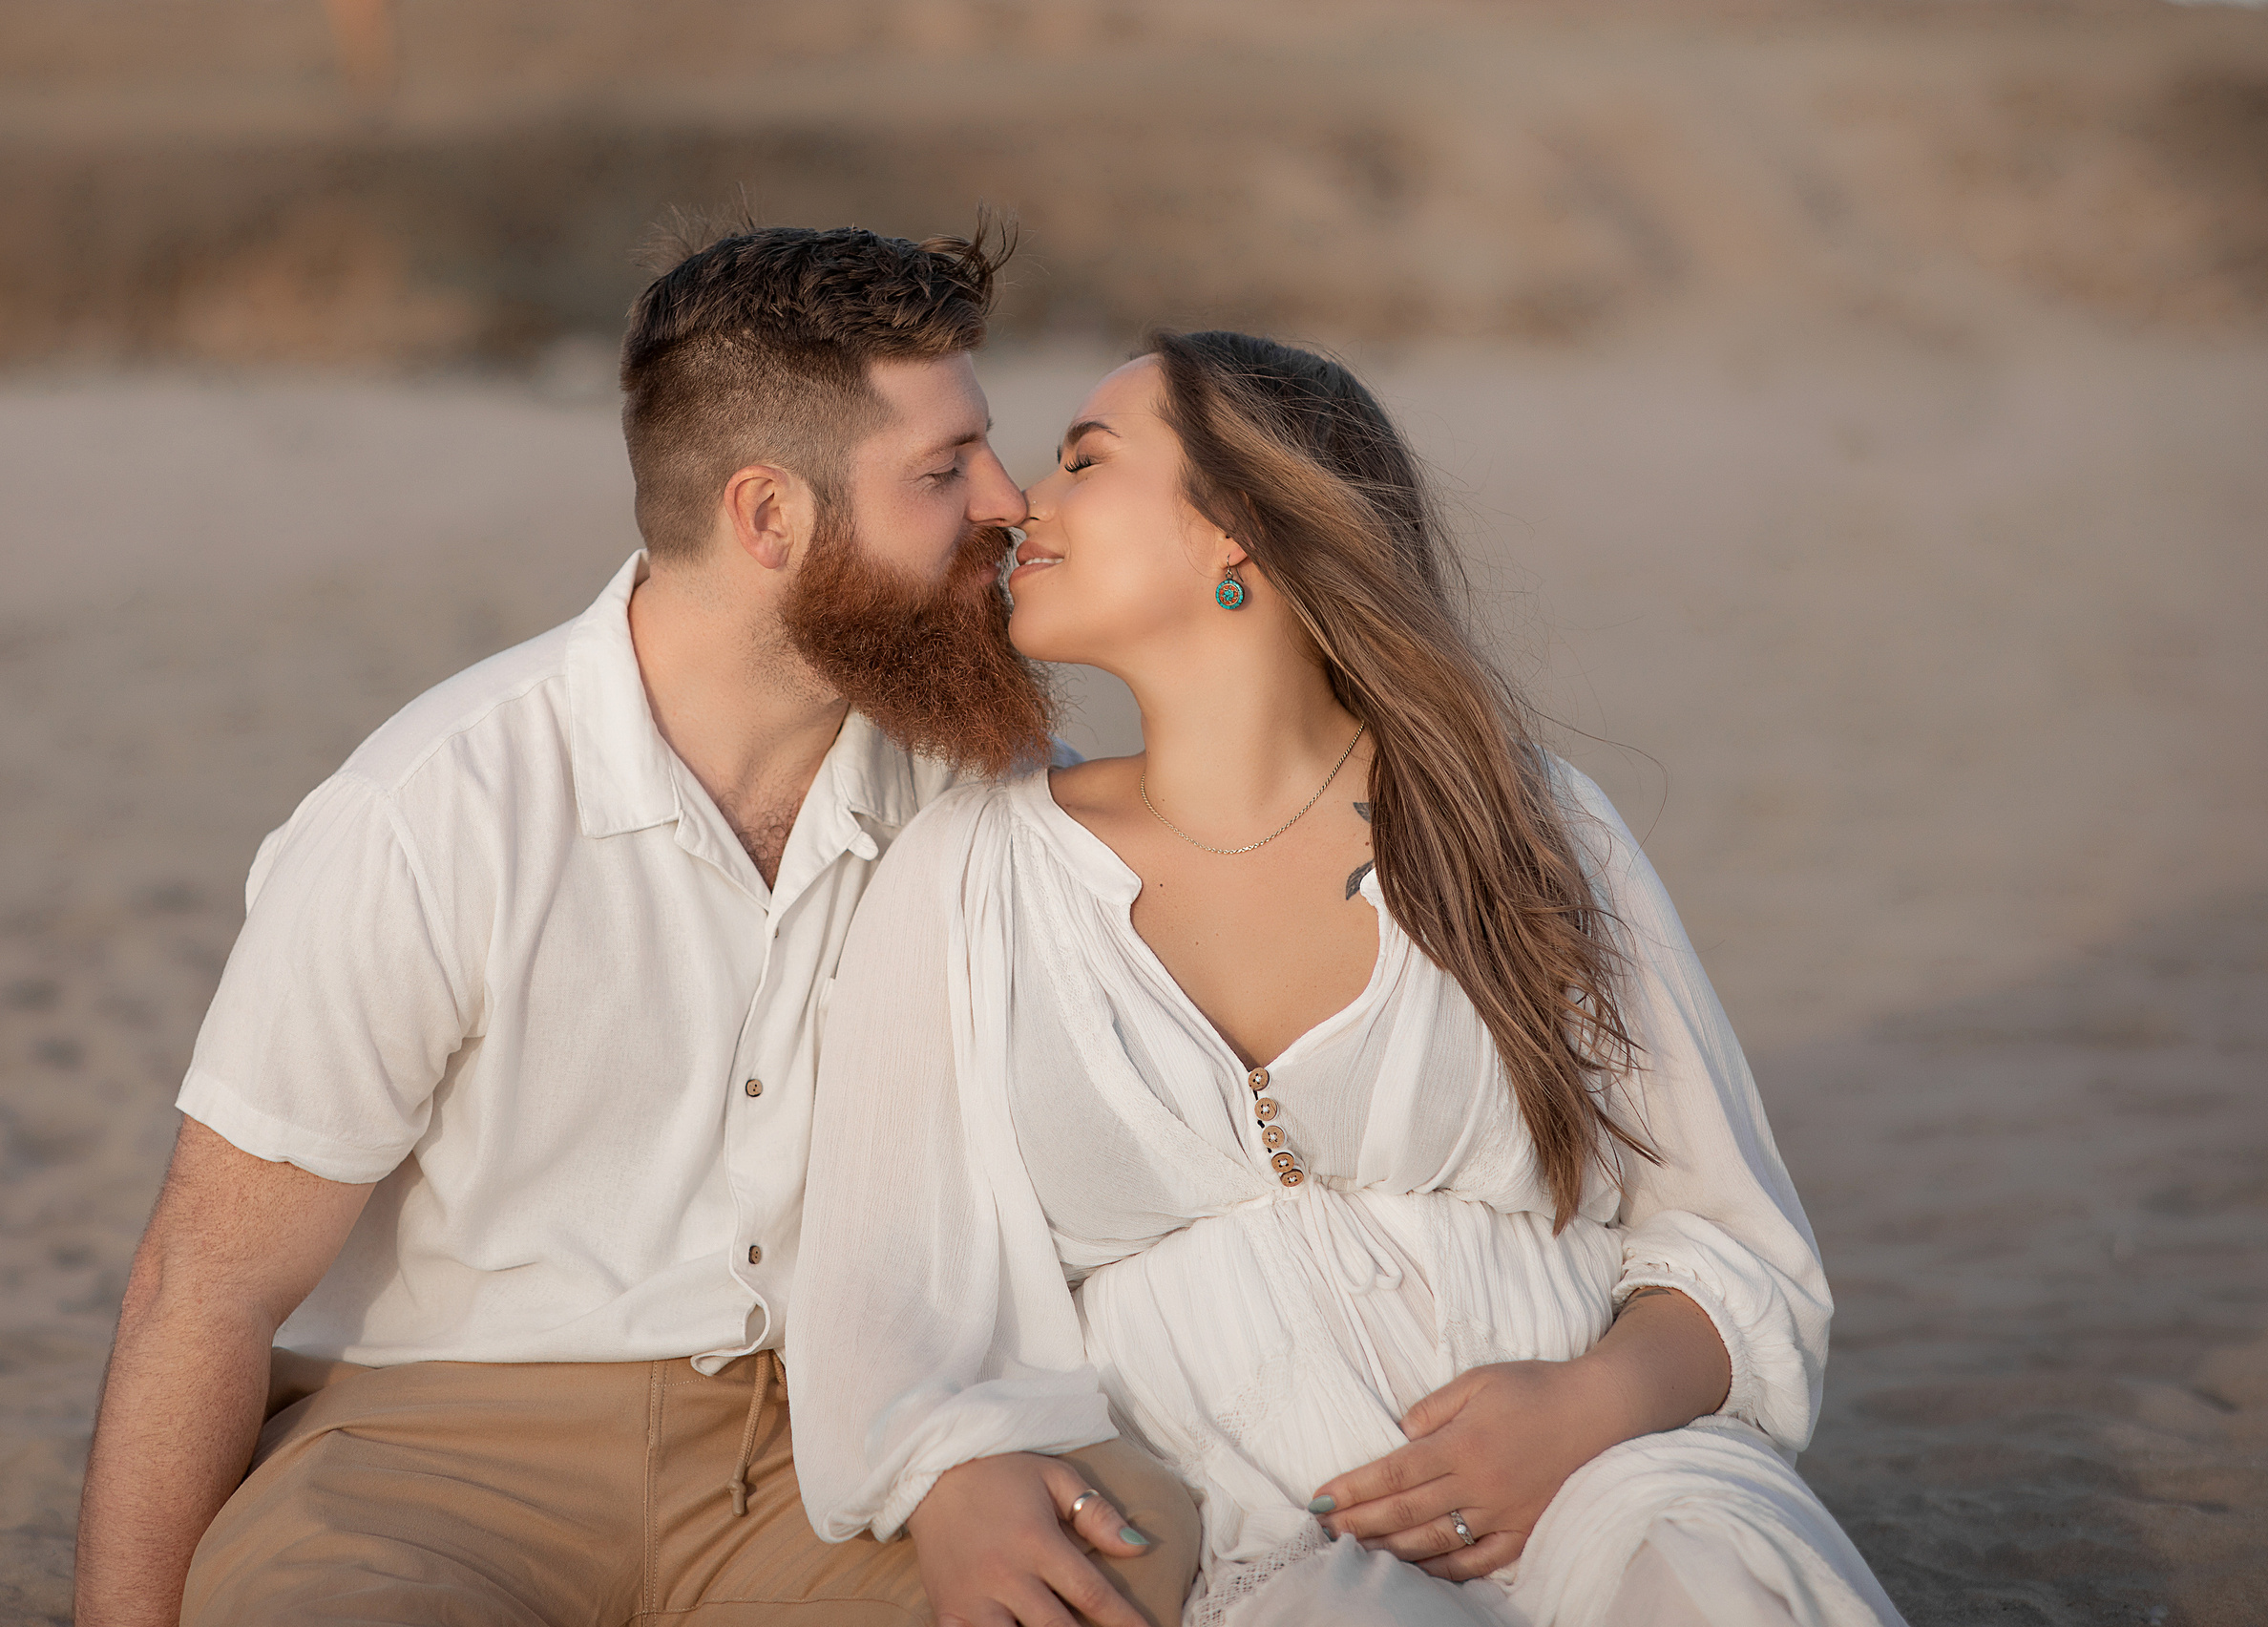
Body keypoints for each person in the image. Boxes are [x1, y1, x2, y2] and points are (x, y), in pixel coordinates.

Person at [73, 224, 1201, 1627]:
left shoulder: (973, 777)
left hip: (830, 1449)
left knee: (1117, 1564)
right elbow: (206, 1287)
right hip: (435, 1457)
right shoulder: (434, 811)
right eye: (942, 468)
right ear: (768, 517)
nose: (1007, 499)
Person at [787, 331, 1910, 1626]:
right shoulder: (975, 871)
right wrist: (947, 1478)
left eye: (1085, 461)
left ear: (1239, 527)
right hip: (1270, 1543)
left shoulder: (1519, 823)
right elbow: (883, 1296)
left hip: (1614, 1479)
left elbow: (1732, 1244)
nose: (1023, 505)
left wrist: (1586, 1409)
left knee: (1719, 1588)